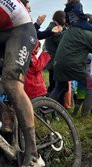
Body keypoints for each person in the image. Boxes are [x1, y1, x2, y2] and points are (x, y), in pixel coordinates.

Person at [0, 0, 44, 166]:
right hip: (2, 32)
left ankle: (33, 153)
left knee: (11, 83)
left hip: (20, 30)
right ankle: (6, 114)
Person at [50, 12, 92, 112]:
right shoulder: (87, 33)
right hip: (73, 65)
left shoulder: (71, 30)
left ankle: (44, 108)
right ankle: (84, 116)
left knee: (59, 87)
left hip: (58, 63)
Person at [44, 10, 66, 94]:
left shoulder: (52, 26)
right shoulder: (54, 28)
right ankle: (50, 105)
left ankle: (49, 104)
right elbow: (61, 41)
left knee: (54, 86)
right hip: (55, 62)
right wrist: (66, 31)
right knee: (56, 87)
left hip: (52, 61)